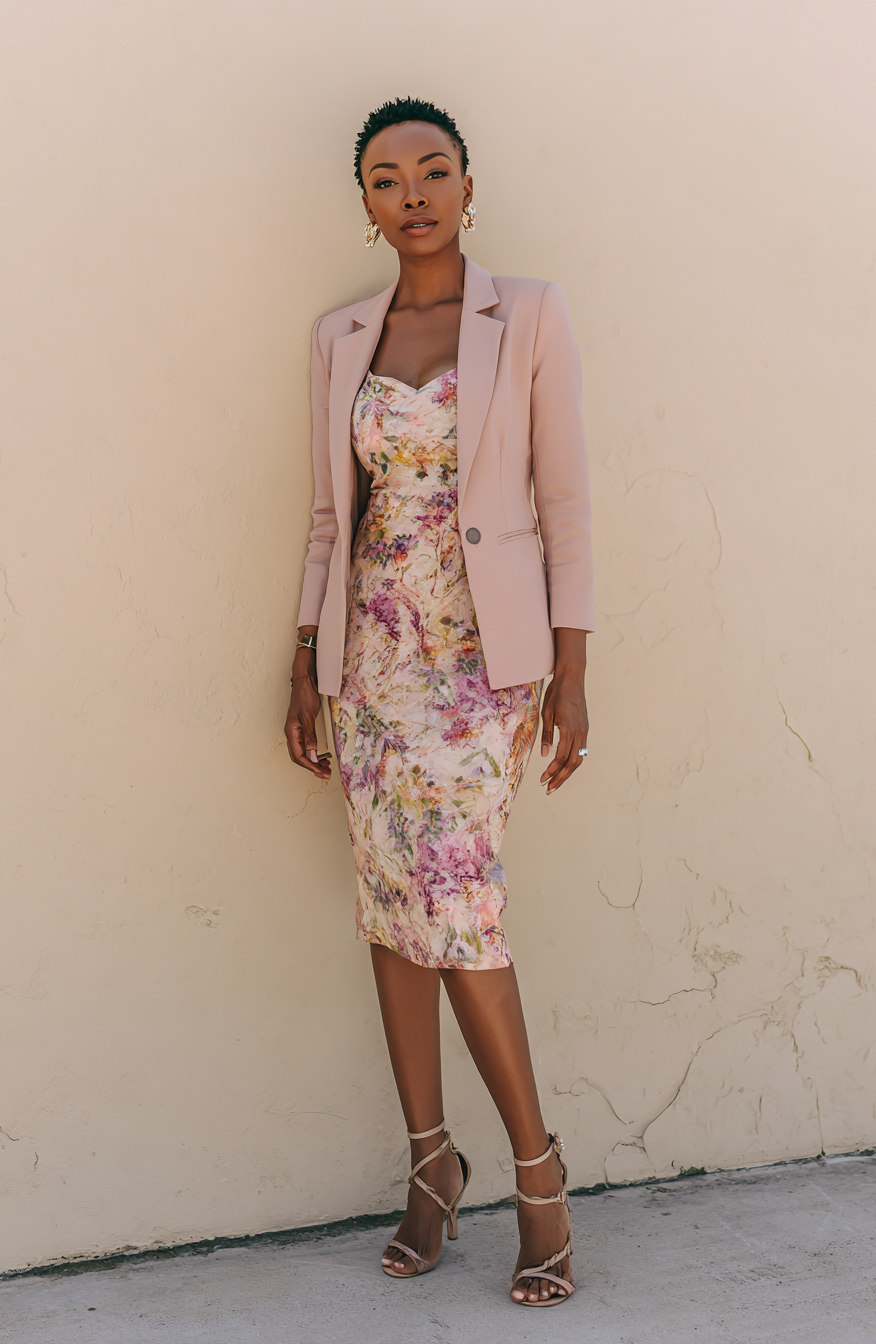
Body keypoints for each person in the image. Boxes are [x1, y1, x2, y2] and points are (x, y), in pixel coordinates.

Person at [284, 97, 592, 1307]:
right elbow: (329, 516)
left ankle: (536, 1173)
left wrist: (572, 668)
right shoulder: (338, 336)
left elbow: (562, 498)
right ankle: (430, 1167)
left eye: (431, 170)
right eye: (384, 178)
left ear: (468, 183)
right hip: (371, 661)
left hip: (482, 662)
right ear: (362, 203)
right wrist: (303, 658)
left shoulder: (525, 315)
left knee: (455, 903)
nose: (410, 193)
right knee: (388, 904)